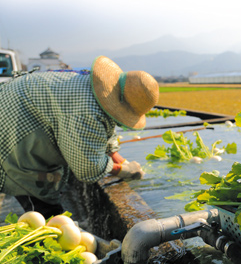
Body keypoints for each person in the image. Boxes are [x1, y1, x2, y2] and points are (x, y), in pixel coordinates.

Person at [0, 56, 159, 218]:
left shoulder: (95, 88)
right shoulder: (87, 110)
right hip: (11, 133)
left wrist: (120, 159)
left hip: (14, 109)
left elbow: (105, 131)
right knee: (45, 212)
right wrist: (123, 170)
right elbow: (87, 167)